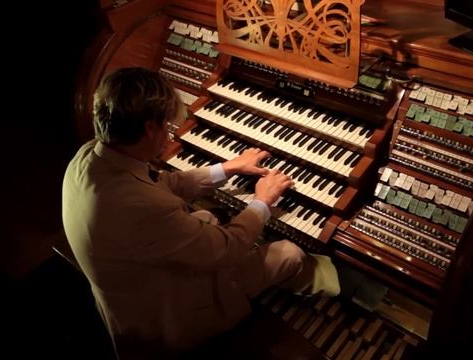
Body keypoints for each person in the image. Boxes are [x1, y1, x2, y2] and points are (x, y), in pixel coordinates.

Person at [62, 67, 339, 359]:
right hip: (169, 319)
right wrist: (262, 201)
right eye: (167, 125)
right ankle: (319, 309)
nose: (169, 134)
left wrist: (228, 168)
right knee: (289, 253)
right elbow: (227, 248)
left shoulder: (90, 157)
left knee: (205, 218)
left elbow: (160, 183)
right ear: (149, 129)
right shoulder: (143, 208)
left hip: (129, 294)